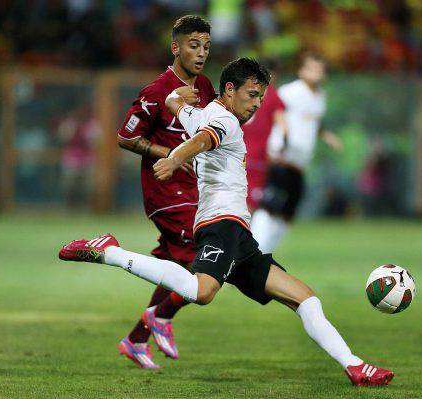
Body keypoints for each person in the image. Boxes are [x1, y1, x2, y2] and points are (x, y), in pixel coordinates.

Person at [59, 58, 394, 386]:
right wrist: (175, 158)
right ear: (230, 89)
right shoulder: (225, 122)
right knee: (202, 291)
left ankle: (354, 366)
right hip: (223, 223)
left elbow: (182, 111)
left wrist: (176, 99)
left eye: (261, 97)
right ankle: (111, 253)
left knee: (304, 298)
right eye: (252, 95)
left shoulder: (205, 114)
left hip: (237, 233)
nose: (257, 105)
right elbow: (204, 140)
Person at [115, 15, 216, 368]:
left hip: (196, 190)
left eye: (206, 46)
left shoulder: (204, 86)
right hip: (166, 192)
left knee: (179, 266)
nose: (201, 53)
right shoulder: (156, 91)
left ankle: (136, 339)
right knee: (204, 259)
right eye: (193, 45)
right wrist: (170, 155)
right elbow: (126, 137)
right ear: (175, 47)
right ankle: (161, 318)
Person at [250, 51, 342, 254]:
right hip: (281, 158)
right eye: (312, 68)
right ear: (301, 71)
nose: (317, 72)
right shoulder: (290, 92)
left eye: (320, 69)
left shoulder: (320, 97)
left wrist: (327, 136)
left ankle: (263, 257)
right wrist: (279, 139)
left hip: (299, 163)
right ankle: (251, 253)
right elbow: (270, 112)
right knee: (269, 207)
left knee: (287, 213)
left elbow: (312, 123)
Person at [242, 69, 285, 212]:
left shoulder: (242, 90)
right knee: (248, 208)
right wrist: (280, 149)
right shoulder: (272, 94)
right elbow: (283, 128)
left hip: (235, 155)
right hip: (257, 159)